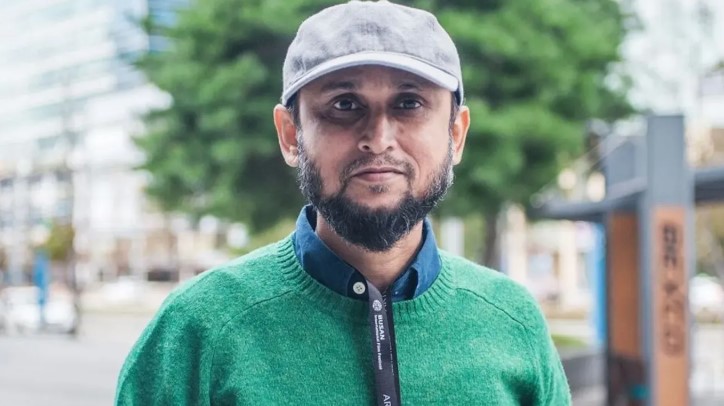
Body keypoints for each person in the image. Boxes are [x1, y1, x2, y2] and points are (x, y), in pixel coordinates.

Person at [115, 1, 571, 405]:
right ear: (290, 135)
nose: (379, 138)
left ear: (456, 134)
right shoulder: (199, 328)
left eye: (409, 104)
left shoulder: (512, 321)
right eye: (345, 105)